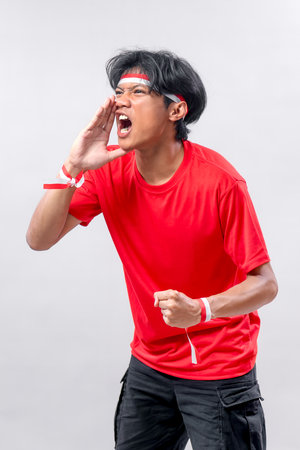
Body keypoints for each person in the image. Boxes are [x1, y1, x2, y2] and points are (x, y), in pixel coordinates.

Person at [26, 49, 278, 450]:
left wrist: (200, 310)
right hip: (149, 366)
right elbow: (39, 239)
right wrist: (72, 167)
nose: (119, 101)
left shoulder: (219, 182)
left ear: (176, 110)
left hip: (218, 370)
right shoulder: (108, 171)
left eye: (137, 90)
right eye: (117, 90)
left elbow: (265, 284)